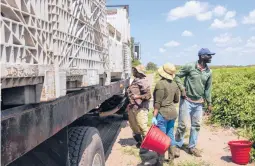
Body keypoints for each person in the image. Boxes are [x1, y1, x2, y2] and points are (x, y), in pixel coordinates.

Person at [174, 48, 215, 157]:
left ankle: (192, 147)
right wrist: (182, 88)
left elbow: (208, 89)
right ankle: (177, 146)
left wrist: (209, 103)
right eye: (209, 55)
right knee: (182, 125)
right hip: (186, 100)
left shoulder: (209, 72)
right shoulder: (190, 66)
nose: (211, 57)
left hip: (199, 102)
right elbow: (177, 76)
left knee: (196, 125)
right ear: (202, 56)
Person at [152, 63, 180, 165]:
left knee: (161, 139)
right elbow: (176, 100)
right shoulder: (175, 84)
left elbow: (157, 103)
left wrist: (154, 116)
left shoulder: (160, 84)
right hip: (172, 113)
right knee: (170, 135)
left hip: (163, 114)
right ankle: (171, 159)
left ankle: (160, 162)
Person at [127, 66, 151, 148]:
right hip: (133, 107)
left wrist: (138, 97)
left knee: (142, 126)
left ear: (138, 72)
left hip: (141, 108)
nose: (132, 71)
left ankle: (148, 146)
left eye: (134, 70)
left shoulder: (143, 81)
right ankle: (140, 143)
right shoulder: (135, 80)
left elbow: (148, 95)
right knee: (134, 126)